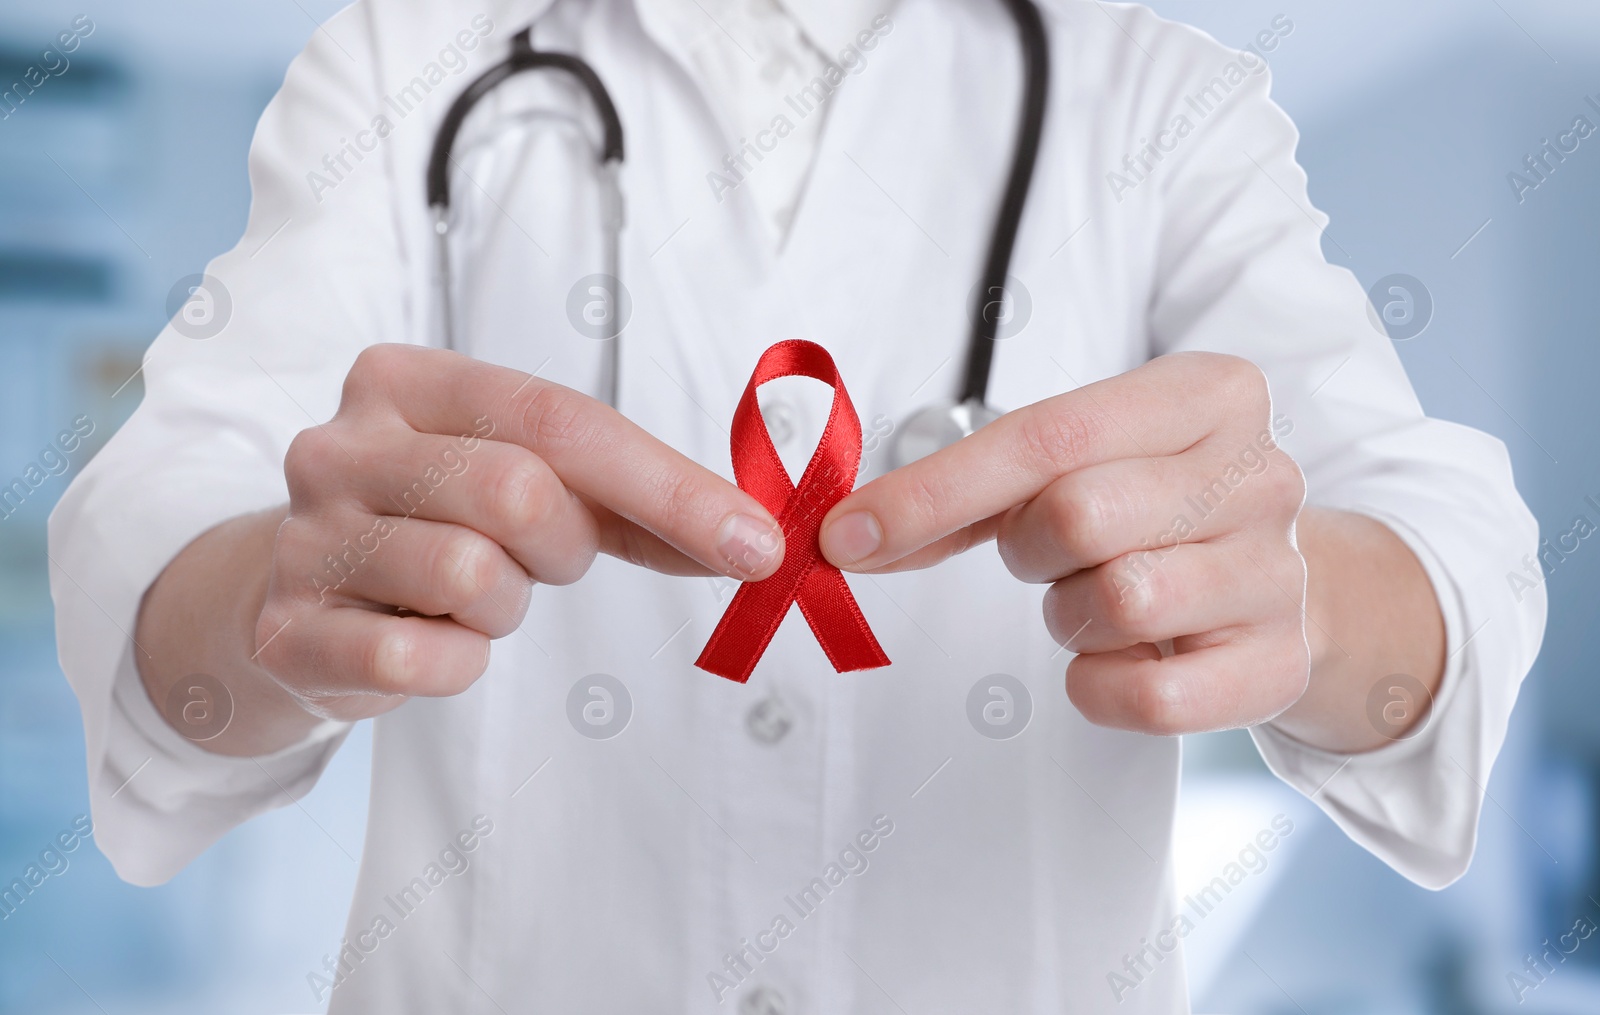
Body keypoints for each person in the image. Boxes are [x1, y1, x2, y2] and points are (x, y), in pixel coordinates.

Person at [48, 0, 1544, 1011]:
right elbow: (150, 543)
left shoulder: (1154, 96)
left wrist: (1306, 598)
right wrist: (274, 597)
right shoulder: (410, 59)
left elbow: (1448, 570)